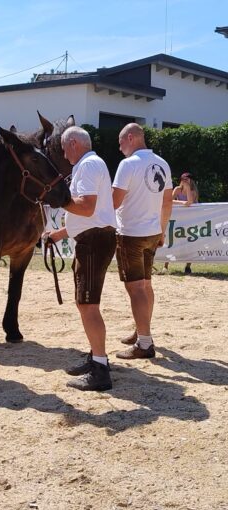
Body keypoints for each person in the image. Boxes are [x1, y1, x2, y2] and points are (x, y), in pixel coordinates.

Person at [42, 126, 116, 391]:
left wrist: (59, 198)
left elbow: (86, 207)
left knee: (88, 305)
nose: (63, 153)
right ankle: (97, 357)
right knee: (87, 303)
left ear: (73, 143)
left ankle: (100, 369)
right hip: (94, 237)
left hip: (93, 241)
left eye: (64, 147)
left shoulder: (87, 166)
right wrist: (60, 233)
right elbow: (90, 214)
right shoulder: (93, 164)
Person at [112, 123, 173, 357]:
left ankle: (145, 343)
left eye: (120, 142)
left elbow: (115, 201)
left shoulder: (127, 165)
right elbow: (167, 202)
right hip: (151, 231)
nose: (119, 148)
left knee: (136, 287)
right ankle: (142, 330)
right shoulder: (163, 163)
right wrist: (162, 229)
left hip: (131, 233)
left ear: (130, 138)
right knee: (146, 284)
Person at [163, 172, 199, 275]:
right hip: (177, 219)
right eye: (184, 179)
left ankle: (188, 267)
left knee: (190, 243)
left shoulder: (193, 190)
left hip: (190, 219)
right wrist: (182, 203)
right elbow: (169, 200)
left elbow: (190, 201)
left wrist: (187, 188)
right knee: (171, 241)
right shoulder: (177, 189)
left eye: (188, 179)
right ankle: (165, 266)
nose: (187, 181)